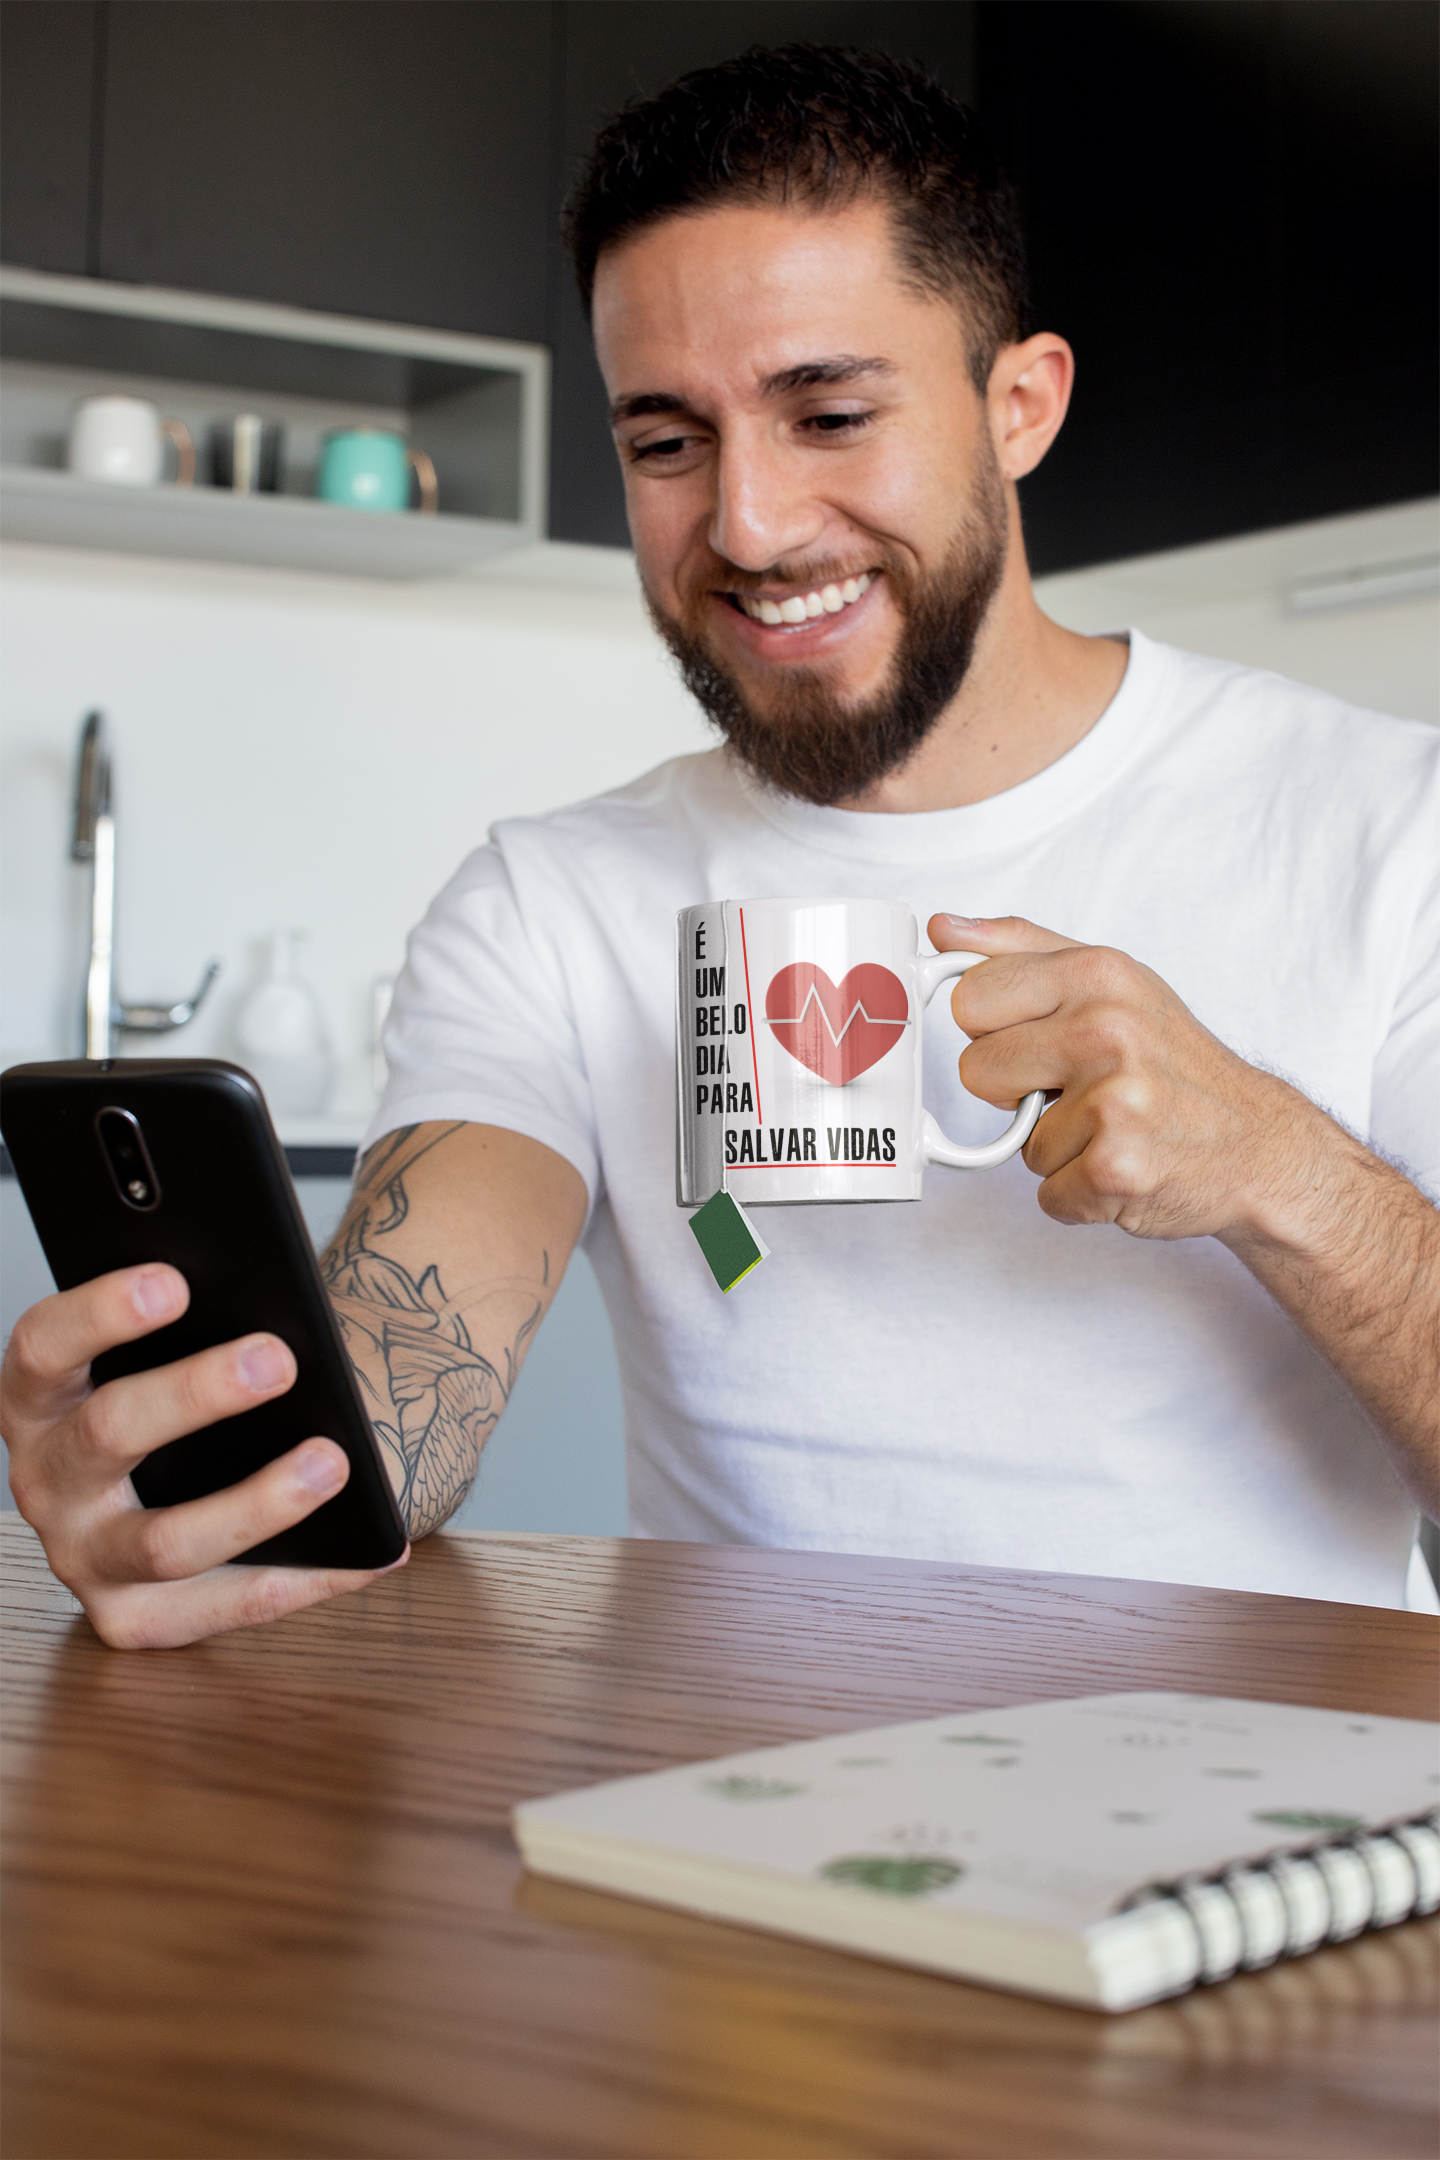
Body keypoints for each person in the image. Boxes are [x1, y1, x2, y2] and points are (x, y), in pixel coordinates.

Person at [3, 48, 1436, 1649]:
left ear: (1018, 405)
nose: (747, 527)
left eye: (829, 412)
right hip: (728, 1813)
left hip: (1268, 1847)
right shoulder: (554, 903)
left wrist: (1287, 1171)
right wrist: (243, 1486)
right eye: (667, 443)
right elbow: (426, 1328)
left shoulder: (1388, 827)